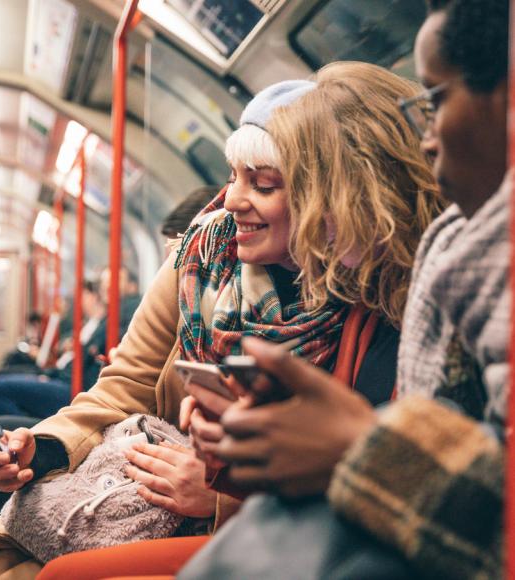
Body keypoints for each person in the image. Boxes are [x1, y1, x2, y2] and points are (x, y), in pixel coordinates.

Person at [0, 73, 442, 579]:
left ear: (326, 196)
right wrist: (44, 449)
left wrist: (221, 496)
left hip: (237, 527)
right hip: (142, 494)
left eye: (264, 185)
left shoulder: (384, 307)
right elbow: (124, 386)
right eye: (233, 177)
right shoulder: (204, 256)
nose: (231, 200)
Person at [182, 1, 508, 578]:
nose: (429, 139)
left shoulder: (447, 286)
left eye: (435, 102)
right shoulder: (377, 296)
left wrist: (358, 447)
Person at [0, 281, 107, 420]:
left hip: (69, 384)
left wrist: (50, 374)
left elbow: (81, 363)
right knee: (3, 374)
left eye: (83, 296)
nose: (79, 301)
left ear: (93, 296)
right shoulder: (87, 324)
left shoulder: (102, 327)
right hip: (60, 374)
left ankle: (23, 432)